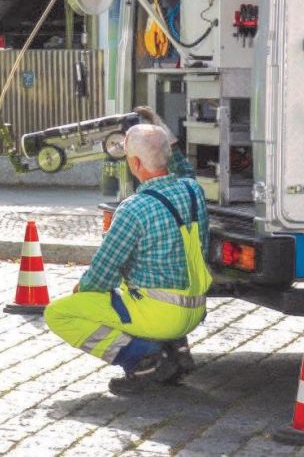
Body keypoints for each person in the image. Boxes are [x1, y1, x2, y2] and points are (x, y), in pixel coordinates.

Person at [44, 122, 209, 393]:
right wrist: (170, 139)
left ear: (134, 162)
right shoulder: (193, 191)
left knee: (58, 314)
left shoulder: (133, 209)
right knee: (131, 286)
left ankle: (145, 361)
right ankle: (176, 349)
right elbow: (185, 171)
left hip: (160, 316)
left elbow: (102, 273)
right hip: (195, 309)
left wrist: (81, 292)